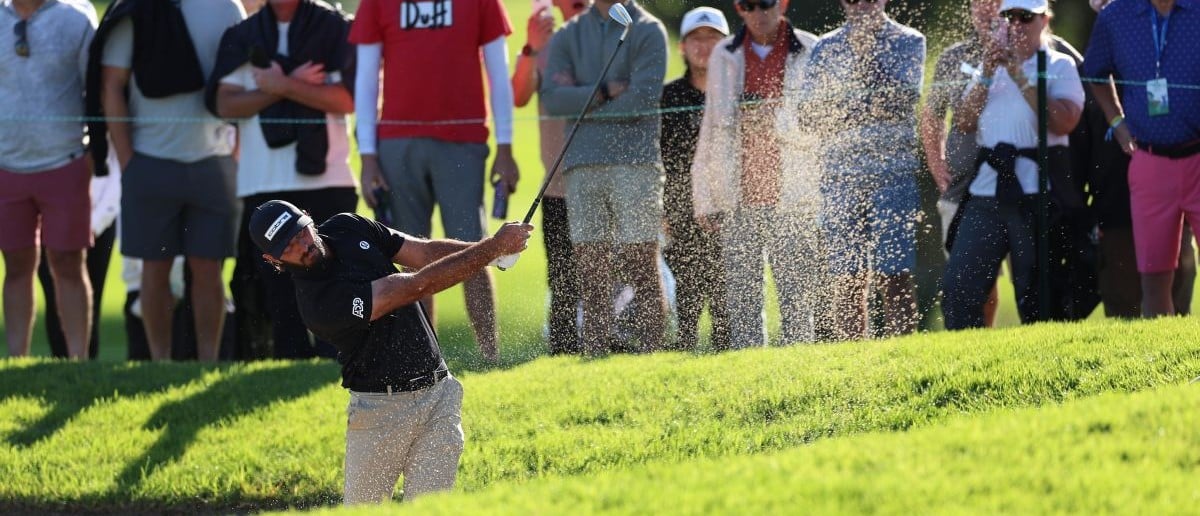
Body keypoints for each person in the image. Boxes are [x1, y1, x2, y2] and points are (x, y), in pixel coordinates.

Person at [247, 200, 532, 504]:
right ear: (272, 258)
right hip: (379, 413)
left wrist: (495, 252)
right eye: (287, 246)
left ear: (307, 218)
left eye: (299, 233)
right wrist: (491, 249)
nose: (301, 245)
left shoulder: (348, 225)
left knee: (430, 509)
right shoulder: (317, 303)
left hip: (439, 395)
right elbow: (417, 286)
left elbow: (422, 253)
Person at [350, 0, 518, 363]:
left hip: (464, 140)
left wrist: (505, 146)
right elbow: (365, 77)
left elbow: (498, 72)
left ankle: (491, 356)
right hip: (396, 142)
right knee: (411, 255)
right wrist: (367, 156)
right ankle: (425, 360)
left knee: (477, 249)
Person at [89, 0, 245, 361]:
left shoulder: (227, 7)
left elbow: (241, 78)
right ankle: (161, 364)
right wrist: (129, 161)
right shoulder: (136, 8)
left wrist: (234, 153)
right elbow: (111, 83)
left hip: (214, 161)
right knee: (154, 269)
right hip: (150, 161)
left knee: (209, 268)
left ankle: (209, 363)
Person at [209, 0, 358, 359]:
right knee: (277, 296)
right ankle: (288, 366)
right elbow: (224, 103)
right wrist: (286, 86)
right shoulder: (242, 35)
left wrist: (280, 83)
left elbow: (346, 99)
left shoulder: (335, 27)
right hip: (262, 183)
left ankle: (335, 365)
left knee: (333, 283)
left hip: (328, 179)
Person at [942, 0, 1084, 329]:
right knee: (959, 289)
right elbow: (963, 122)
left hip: (1037, 196)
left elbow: (1063, 122)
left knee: (1038, 295)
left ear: (1044, 20)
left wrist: (1020, 77)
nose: (1016, 24)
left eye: (1025, 17)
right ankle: (963, 365)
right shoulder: (987, 65)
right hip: (986, 193)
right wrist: (988, 75)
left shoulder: (1059, 64)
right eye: (1009, 17)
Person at [691, 0, 821, 348]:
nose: (757, 13)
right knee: (743, 305)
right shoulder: (724, 53)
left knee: (797, 302)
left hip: (794, 198)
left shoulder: (811, 49)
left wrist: (774, 119)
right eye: (748, 5)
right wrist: (704, 196)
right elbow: (712, 127)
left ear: (781, 4)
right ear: (738, 8)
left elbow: (821, 126)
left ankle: (799, 380)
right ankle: (751, 381)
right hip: (738, 197)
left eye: (764, 4)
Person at [541, 0, 669, 354]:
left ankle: (650, 355)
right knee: (590, 266)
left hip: (635, 163)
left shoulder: (647, 29)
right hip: (582, 166)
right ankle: (595, 354)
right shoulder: (569, 34)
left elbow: (642, 100)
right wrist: (605, 90)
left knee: (640, 260)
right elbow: (553, 101)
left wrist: (582, 102)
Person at [804, 0, 925, 340]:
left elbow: (903, 101)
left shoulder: (908, 40)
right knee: (847, 278)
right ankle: (852, 358)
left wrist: (864, 58)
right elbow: (810, 115)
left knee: (895, 273)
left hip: (893, 175)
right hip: (839, 177)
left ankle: (903, 353)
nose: (863, 5)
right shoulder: (826, 46)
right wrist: (863, 103)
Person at [1083, 0, 1200, 317]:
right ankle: (1164, 361)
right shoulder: (1115, 15)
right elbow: (1095, 71)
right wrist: (1117, 122)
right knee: (1154, 277)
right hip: (1149, 160)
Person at [1, 0, 97, 358]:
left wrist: (92, 156)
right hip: (6, 165)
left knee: (69, 263)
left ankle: (78, 362)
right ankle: (17, 361)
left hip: (65, 162)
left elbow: (98, 88)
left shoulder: (76, 18)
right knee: (15, 264)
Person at [512, 0, 591, 355]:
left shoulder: (615, 38)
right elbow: (519, 95)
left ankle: (610, 343)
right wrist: (531, 48)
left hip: (605, 178)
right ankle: (564, 350)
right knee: (562, 278)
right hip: (559, 185)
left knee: (612, 269)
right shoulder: (544, 46)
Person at [920, 0, 1002, 327]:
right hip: (963, 186)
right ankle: (981, 346)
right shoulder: (954, 57)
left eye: (995, 3)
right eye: (979, 4)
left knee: (1031, 277)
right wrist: (936, 160)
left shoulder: (1039, 51)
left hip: (1022, 183)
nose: (987, 10)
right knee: (973, 281)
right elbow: (932, 114)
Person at [660, 7, 731, 351]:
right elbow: (655, 156)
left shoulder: (734, 94)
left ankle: (725, 367)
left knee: (725, 301)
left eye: (713, 39)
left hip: (725, 207)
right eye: (696, 39)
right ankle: (684, 358)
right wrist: (660, 211)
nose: (704, 46)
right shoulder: (667, 97)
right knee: (686, 297)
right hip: (678, 212)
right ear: (683, 47)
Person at [37, 159, 119, 359]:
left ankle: (84, 366)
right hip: (52, 220)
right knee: (54, 297)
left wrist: (93, 225)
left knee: (92, 297)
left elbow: (117, 170)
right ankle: (61, 365)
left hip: (101, 219)